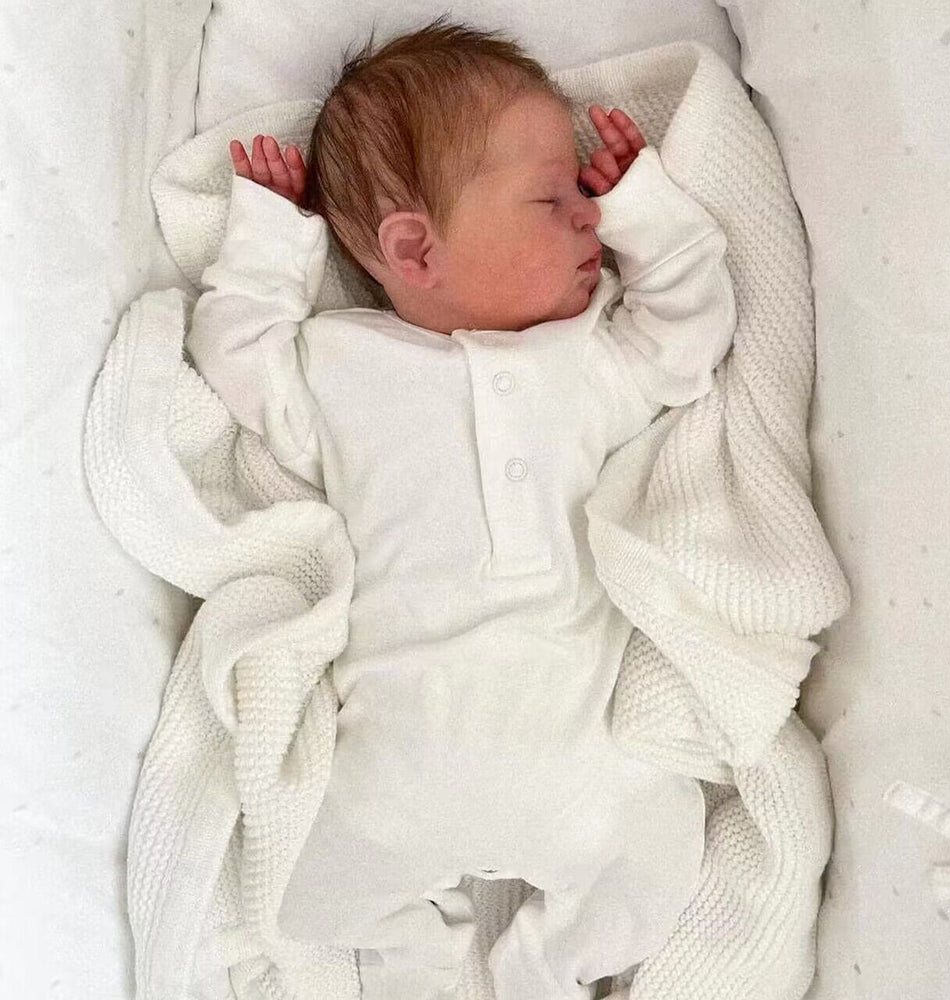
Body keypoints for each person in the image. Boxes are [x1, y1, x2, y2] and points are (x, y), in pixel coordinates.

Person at [186, 15, 737, 1000]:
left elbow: (688, 336)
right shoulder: (342, 367)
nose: (589, 218)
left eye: (584, 198)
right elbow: (238, 357)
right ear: (415, 247)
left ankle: (542, 974)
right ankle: (414, 965)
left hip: (580, 759)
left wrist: (647, 214)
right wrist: (269, 239)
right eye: (553, 199)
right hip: (397, 756)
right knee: (319, 880)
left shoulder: (588, 362)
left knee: (655, 855)